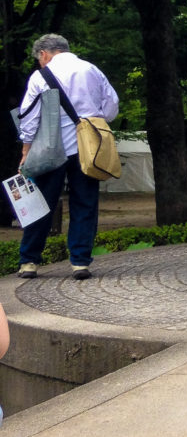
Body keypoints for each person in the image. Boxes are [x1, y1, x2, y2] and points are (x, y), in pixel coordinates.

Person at [16, 33, 119, 281]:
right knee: (85, 203)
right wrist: (92, 119)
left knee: (40, 205)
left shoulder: (40, 76)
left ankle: (29, 261)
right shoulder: (92, 70)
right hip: (88, 148)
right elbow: (112, 105)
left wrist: (26, 150)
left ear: (44, 54)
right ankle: (79, 262)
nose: (40, 64)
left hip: (50, 149)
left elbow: (28, 116)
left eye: (39, 59)